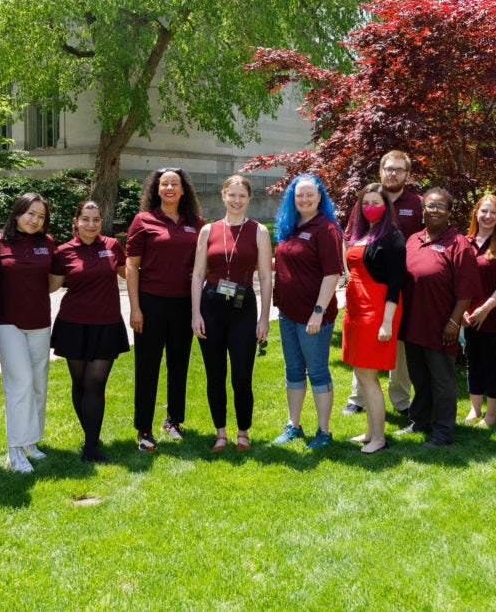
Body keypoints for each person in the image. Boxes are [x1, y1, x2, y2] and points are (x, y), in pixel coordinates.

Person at [192, 175, 272, 452]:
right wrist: (195, 314)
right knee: (215, 374)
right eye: (232, 195)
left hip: (243, 309)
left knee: (241, 375)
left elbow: (265, 276)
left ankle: (242, 432)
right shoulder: (208, 231)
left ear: (249, 198)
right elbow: (198, 274)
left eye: (242, 196)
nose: (237, 201)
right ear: (223, 196)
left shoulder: (259, 231)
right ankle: (220, 433)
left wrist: (264, 318)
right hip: (211, 306)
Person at [126, 168, 203, 451]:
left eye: (175, 184)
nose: (170, 188)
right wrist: (135, 308)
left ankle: (173, 421)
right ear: (156, 189)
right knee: (147, 366)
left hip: (184, 304)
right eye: (164, 184)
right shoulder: (143, 220)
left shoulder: (196, 223)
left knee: (178, 365)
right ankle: (144, 429)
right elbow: (132, 266)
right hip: (150, 303)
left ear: (184, 190)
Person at [342, 150, 422, 417]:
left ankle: (400, 399)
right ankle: (358, 398)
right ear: (380, 171)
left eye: (399, 169)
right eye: (389, 168)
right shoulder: (367, 200)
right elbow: (349, 238)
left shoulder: (417, 204)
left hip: (402, 286)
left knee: (397, 343)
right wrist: (354, 275)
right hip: (369, 288)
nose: (393, 173)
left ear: (407, 175)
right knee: (363, 342)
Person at [50, 201, 129, 463]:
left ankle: (92, 447)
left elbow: (130, 274)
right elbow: (50, 287)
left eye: (96, 219)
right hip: (73, 324)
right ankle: (90, 438)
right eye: (85, 219)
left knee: (95, 383)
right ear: (76, 222)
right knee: (80, 384)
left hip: (107, 324)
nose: (91, 224)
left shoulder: (112, 246)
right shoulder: (63, 252)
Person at [400, 188, 479, 447]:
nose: (433, 211)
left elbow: (466, 291)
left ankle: (443, 431)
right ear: (422, 211)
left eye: (439, 207)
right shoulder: (413, 239)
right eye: (429, 206)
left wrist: (454, 322)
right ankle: (420, 421)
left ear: (449, 212)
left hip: (441, 325)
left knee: (442, 380)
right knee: (419, 377)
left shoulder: (459, 244)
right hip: (412, 322)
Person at [271, 175, 343, 449]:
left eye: (309, 195)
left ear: (320, 197)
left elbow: (332, 273)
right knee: (293, 370)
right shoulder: (290, 226)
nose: (304, 199)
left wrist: (318, 311)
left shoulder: (325, 229)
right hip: (288, 314)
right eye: (299, 195)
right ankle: (294, 425)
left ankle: (323, 432)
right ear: (293, 198)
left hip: (313, 316)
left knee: (317, 371)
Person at [342, 182, 406, 454]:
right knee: (360, 371)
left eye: (377, 203)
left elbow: (396, 282)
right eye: (366, 203)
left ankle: (379, 439)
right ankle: (370, 431)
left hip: (378, 310)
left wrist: (387, 322)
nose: (371, 208)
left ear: (386, 207)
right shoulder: (361, 233)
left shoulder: (392, 237)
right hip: (355, 309)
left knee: (368, 375)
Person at [0, 193, 55, 473]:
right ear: (17, 213)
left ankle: (31, 441)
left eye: (41, 216)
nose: (35, 220)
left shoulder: (47, 243)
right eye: (31, 213)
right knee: (20, 383)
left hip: (40, 321)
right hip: (8, 323)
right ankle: (14, 450)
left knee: (38, 385)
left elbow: (53, 283)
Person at [462, 194, 496, 427]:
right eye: (484, 211)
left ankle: (491, 414)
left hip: (494, 313)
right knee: (472, 361)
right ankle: (474, 409)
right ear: (476, 213)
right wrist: (462, 310)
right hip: (468, 316)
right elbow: (458, 280)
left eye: (493, 212)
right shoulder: (464, 242)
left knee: (492, 363)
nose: (488, 216)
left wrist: (485, 309)